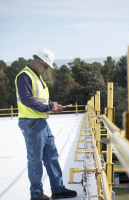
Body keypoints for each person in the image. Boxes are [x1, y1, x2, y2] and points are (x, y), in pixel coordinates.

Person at [15, 49, 77, 200]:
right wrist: (48, 107)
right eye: (46, 66)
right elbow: (27, 99)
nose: (46, 69)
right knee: (35, 159)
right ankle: (36, 195)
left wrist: (52, 105)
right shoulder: (24, 75)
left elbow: (38, 99)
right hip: (31, 123)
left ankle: (57, 189)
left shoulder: (36, 76)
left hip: (41, 121)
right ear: (37, 61)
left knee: (51, 156)